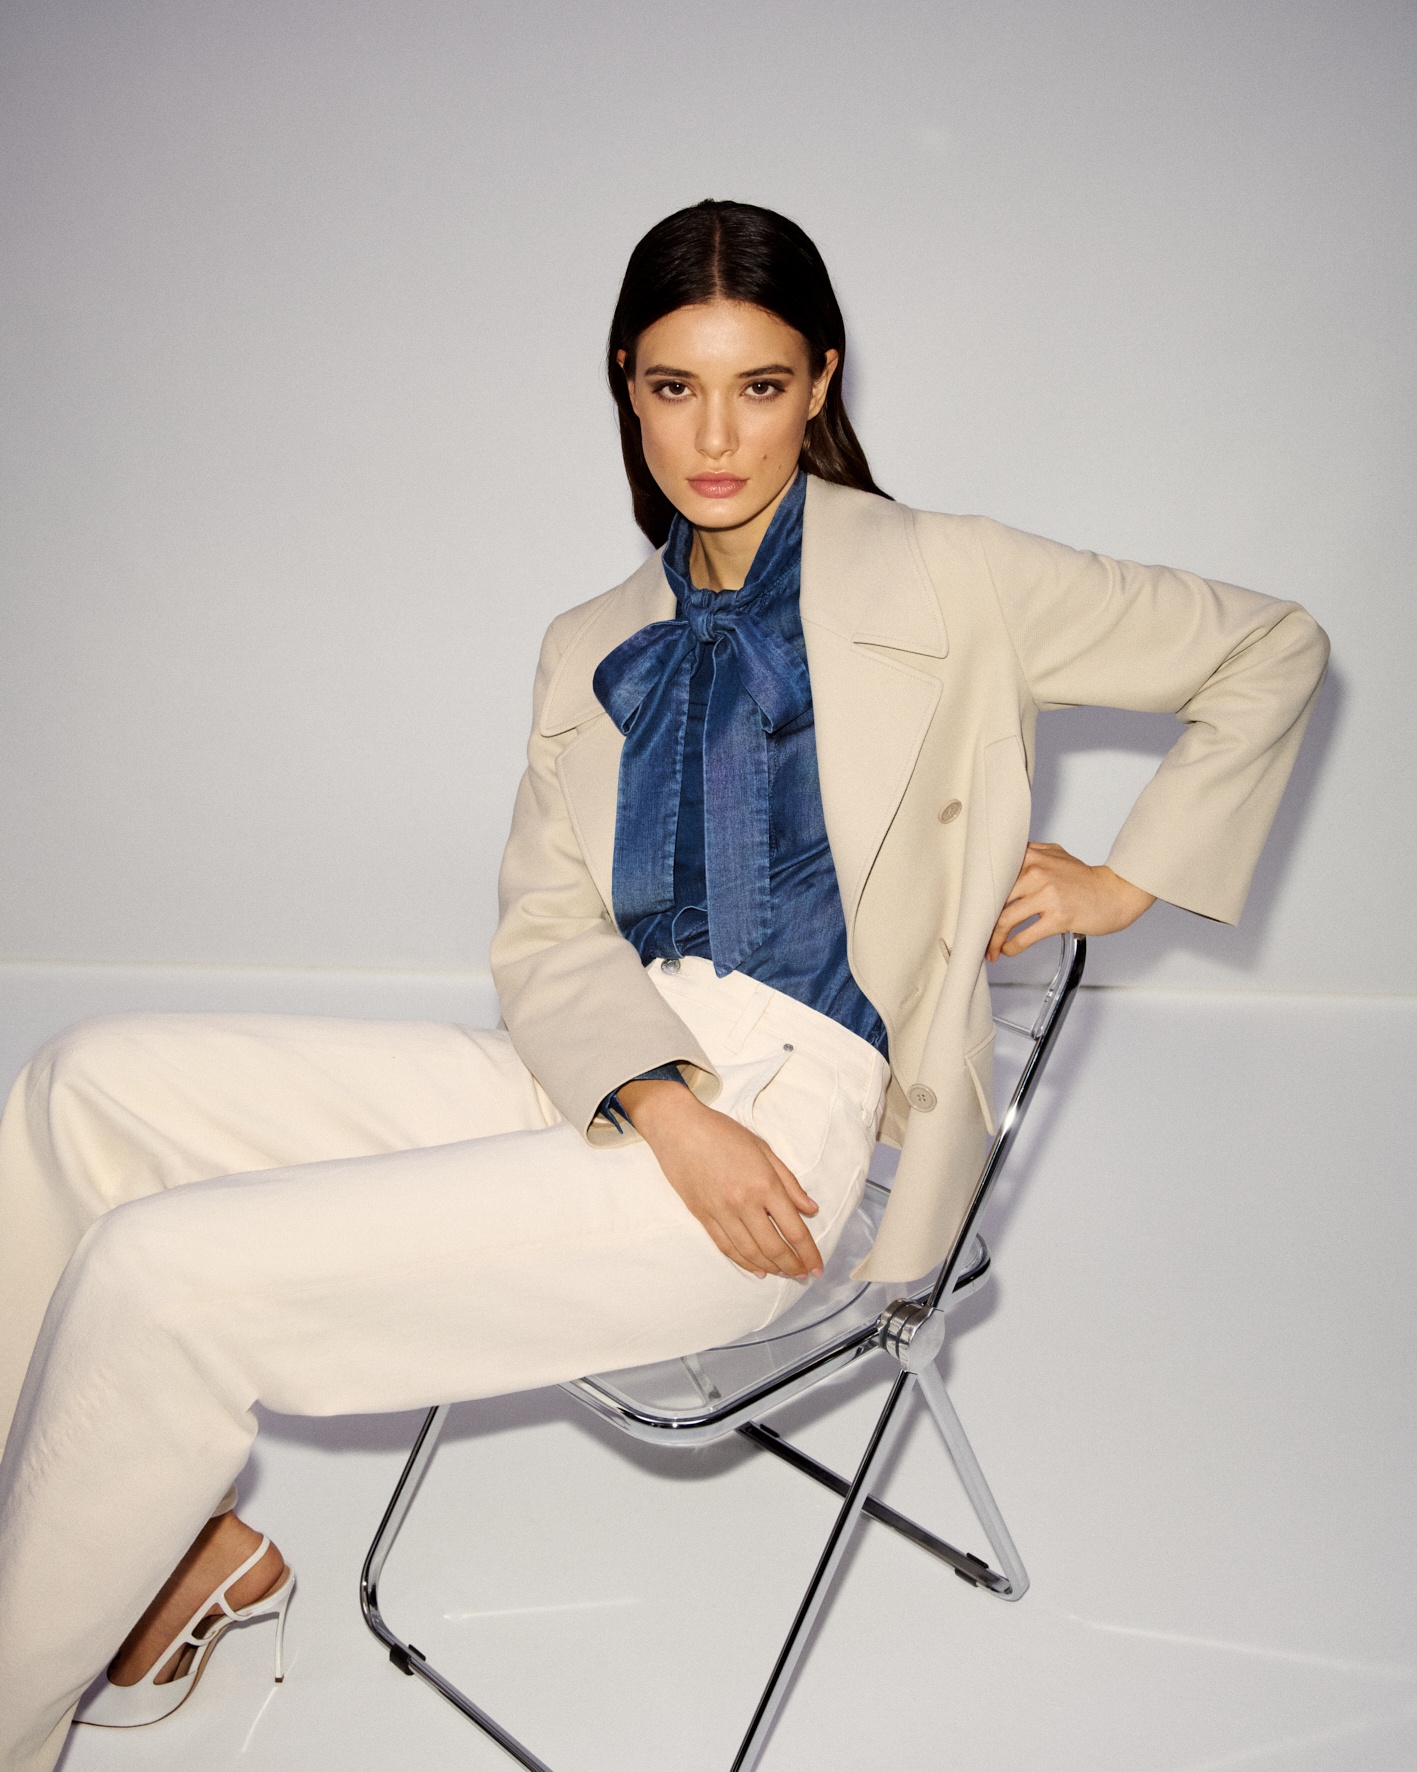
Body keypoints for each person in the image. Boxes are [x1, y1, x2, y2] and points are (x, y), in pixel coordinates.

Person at [0, 199, 1328, 1772]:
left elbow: (1268, 645)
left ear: (818, 383)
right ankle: (139, 1551)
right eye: (672, 387)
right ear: (624, 387)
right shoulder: (591, 639)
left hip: (791, 1128)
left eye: (758, 386)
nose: (713, 435)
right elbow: (545, 930)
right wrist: (655, 1098)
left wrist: (1123, 880)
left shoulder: (953, 574)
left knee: (164, 1274)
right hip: (602, 1073)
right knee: (83, 1086)